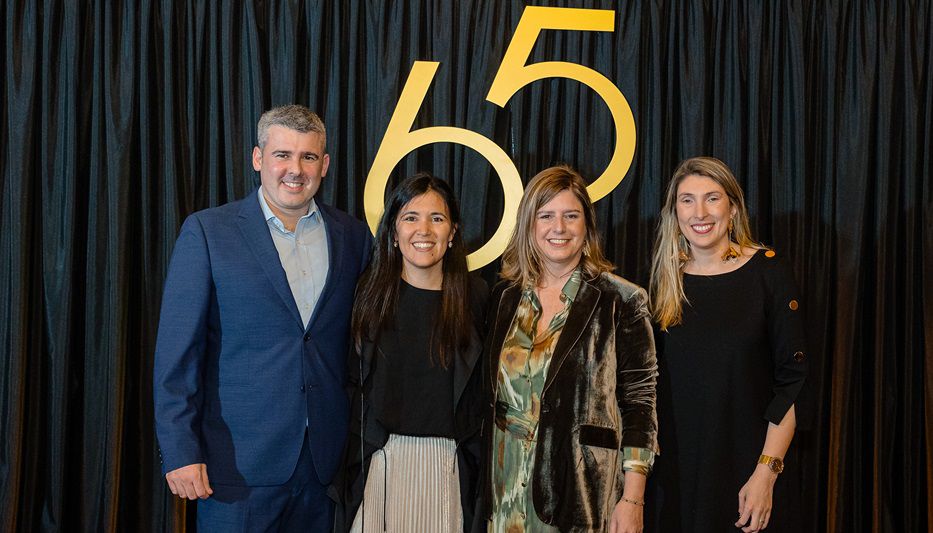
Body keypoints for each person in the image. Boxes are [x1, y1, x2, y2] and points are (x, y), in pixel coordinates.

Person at [152, 105, 372, 531]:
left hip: (323, 469)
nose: (295, 169)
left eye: (308, 157)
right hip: (235, 472)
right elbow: (177, 355)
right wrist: (181, 450)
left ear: (324, 165)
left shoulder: (352, 237)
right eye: (282, 155)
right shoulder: (208, 232)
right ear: (258, 159)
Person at [481, 165, 658, 532]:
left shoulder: (621, 300)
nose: (558, 228)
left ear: (587, 226)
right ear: (530, 225)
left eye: (570, 216)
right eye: (546, 216)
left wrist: (633, 499)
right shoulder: (504, 297)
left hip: (580, 494)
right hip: (504, 491)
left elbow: (641, 406)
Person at [645, 156, 808, 533]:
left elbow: (793, 383)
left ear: (732, 208)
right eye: (687, 200)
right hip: (676, 480)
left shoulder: (769, 273)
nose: (699, 212)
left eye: (712, 198)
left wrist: (766, 474)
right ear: (675, 212)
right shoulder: (661, 283)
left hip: (748, 476)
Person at [331, 173, 487, 532]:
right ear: (394, 232)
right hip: (381, 464)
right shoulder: (367, 296)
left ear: (453, 233)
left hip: (449, 467)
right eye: (411, 217)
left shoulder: (476, 298)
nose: (424, 230)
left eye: (437, 218)